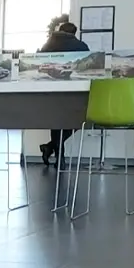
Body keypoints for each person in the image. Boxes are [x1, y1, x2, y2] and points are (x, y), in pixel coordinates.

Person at [37, 21, 90, 165]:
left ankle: (59, 157)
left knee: (56, 122)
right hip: (75, 91)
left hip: (52, 90)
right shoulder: (81, 46)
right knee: (79, 120)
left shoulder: (48, 45)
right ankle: (52, 150)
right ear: (74, 33)